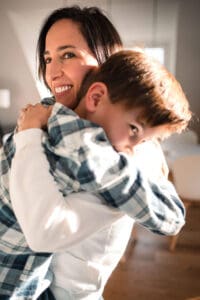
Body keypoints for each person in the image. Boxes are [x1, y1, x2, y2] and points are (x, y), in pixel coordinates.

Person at [0, 5, 187, 300]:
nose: (52, 71)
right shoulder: (52, 115)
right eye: (48, 58)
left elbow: (169, 215)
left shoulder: (124, 147)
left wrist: (29, 134)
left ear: (103, 61)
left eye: (68, 54)